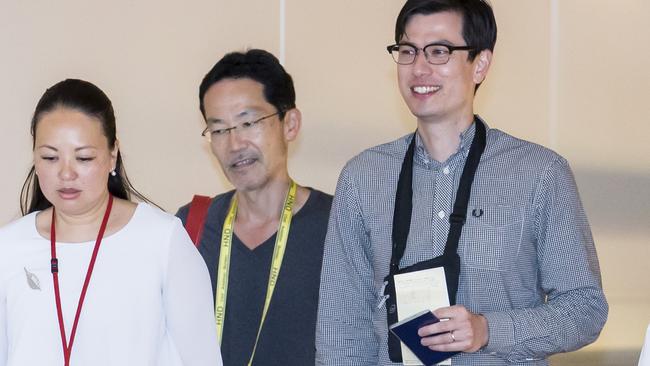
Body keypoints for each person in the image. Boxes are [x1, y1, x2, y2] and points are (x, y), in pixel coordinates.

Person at [316, 0, 608, 365]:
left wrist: (488, 330)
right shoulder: (363, 178)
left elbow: (585, 309)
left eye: (439, 52)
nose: (419, 68)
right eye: (408, 51)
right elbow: (340, 329)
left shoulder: (540, 173)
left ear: (481, 63)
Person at [0, 79, 222, 366]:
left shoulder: (162, 241)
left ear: (112, 155)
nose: (66, 174)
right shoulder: (8, 247)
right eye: (50, 157)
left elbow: (201, 359)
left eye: (84, 157)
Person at [176, 49, 332, 366]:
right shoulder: (191, 225)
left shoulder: (338, 224)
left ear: (290, 123)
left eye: (249, 122)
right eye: (219, 130)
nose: (235, 144)